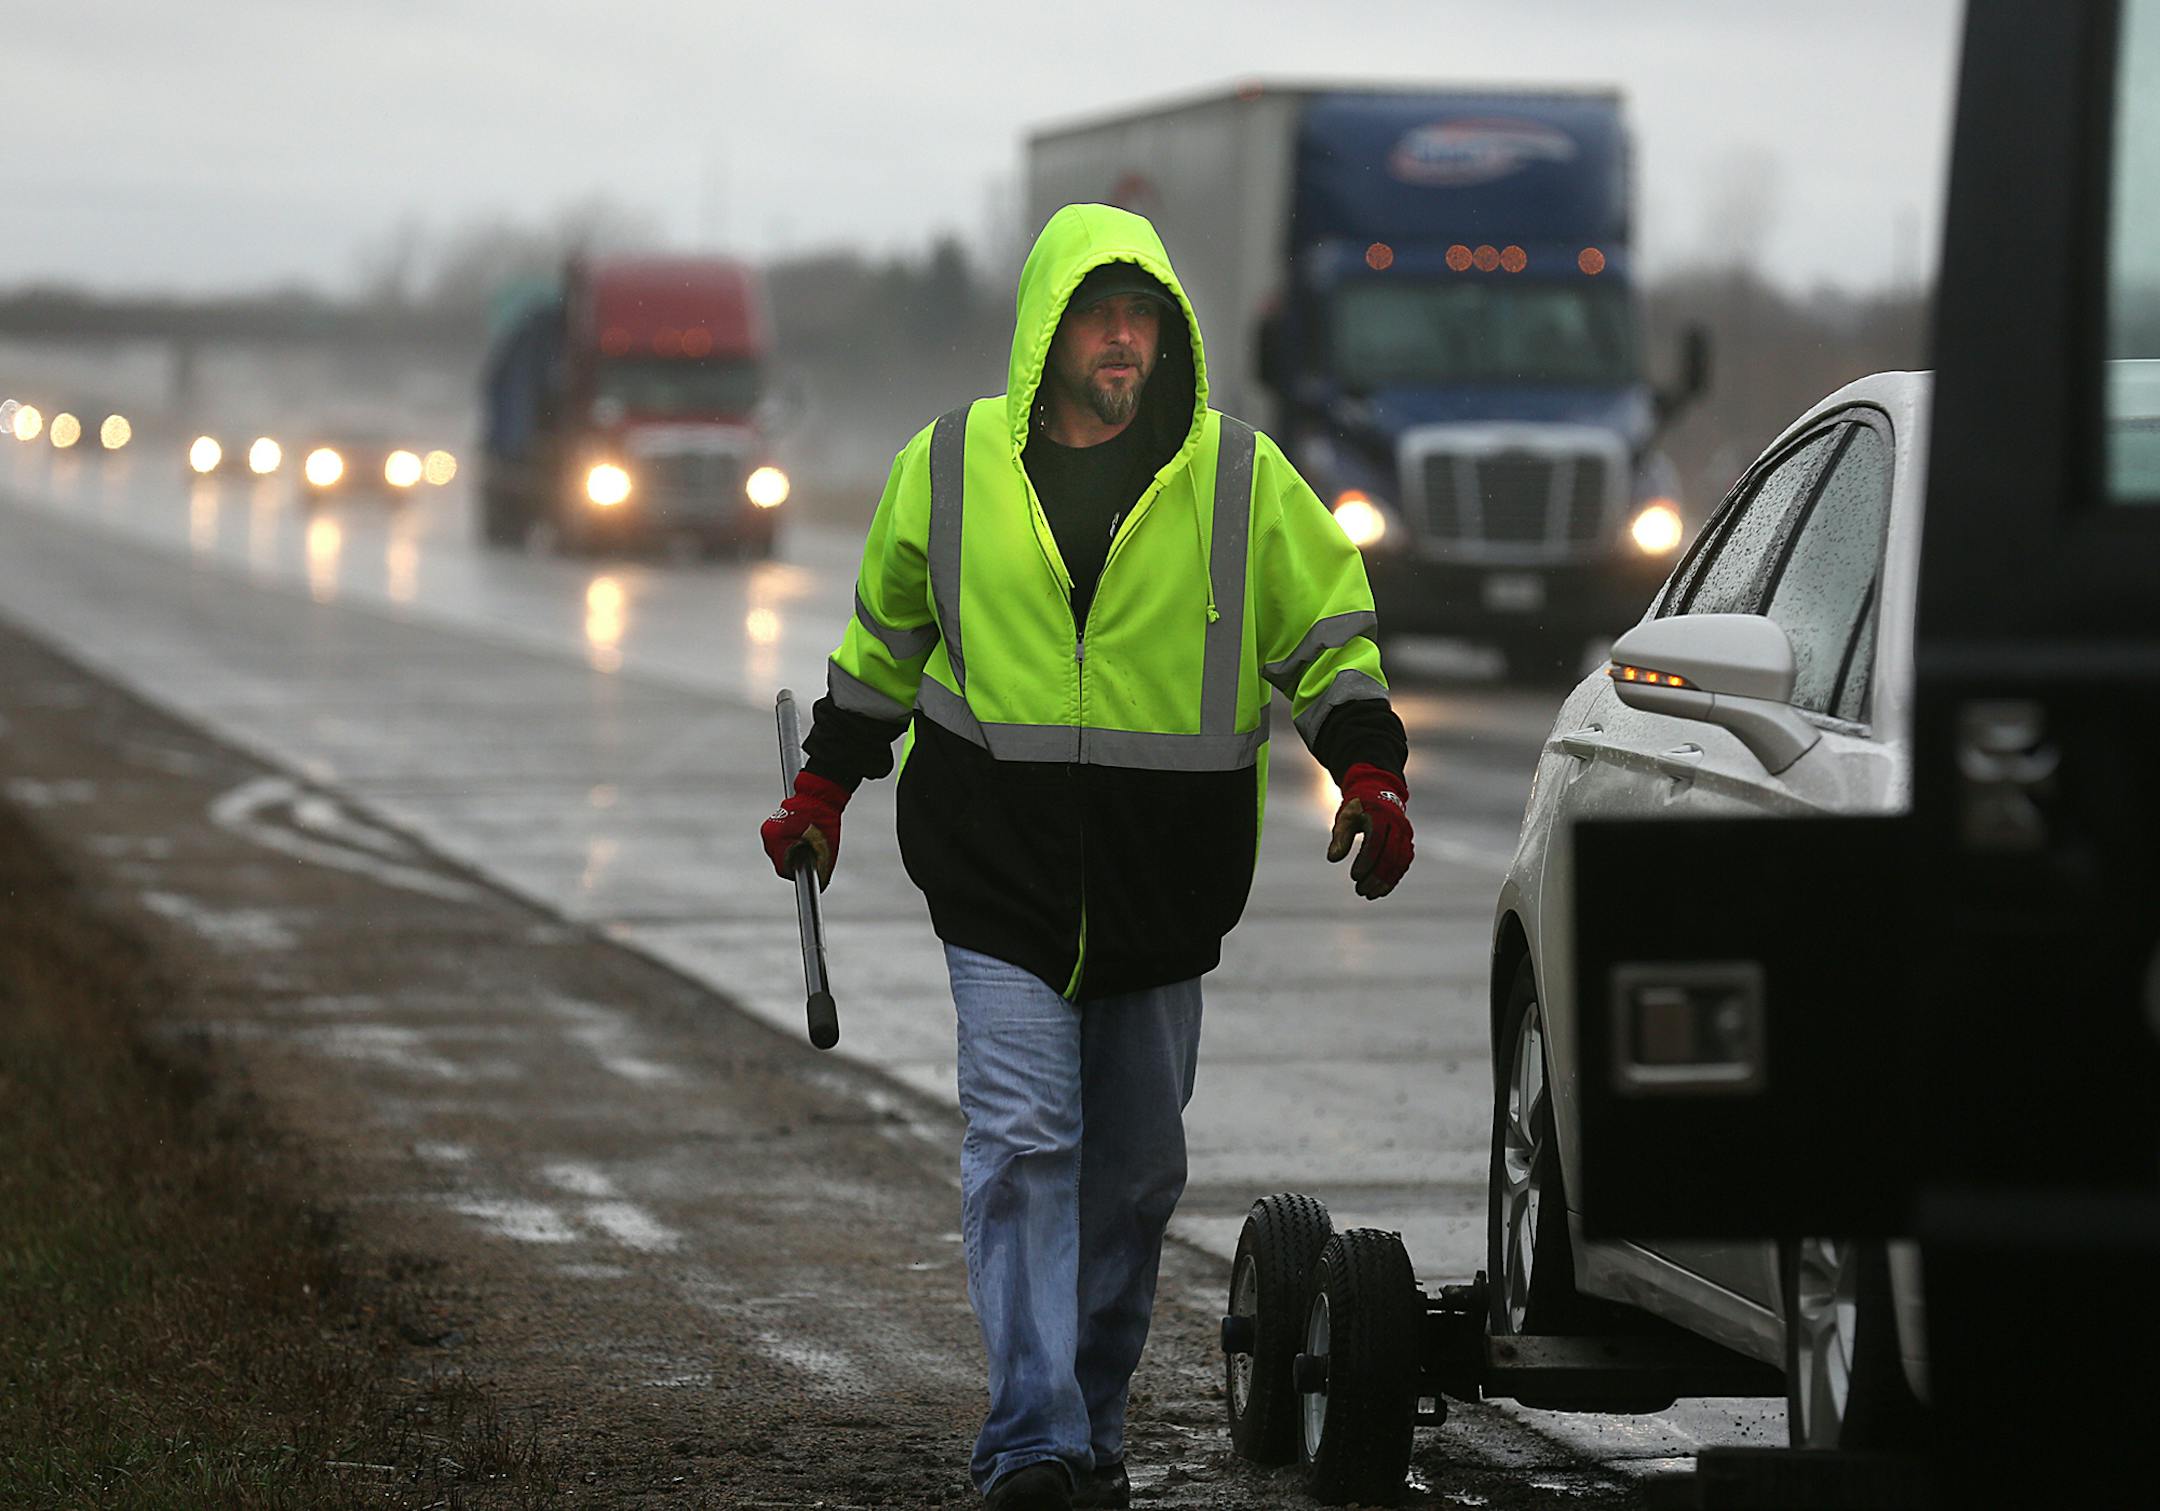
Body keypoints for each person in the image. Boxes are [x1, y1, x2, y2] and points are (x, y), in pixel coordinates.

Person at [761, 203, 1413, 1511]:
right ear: (1048, 331)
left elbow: (1328, 641)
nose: (1124, 340)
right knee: (1019, 1144)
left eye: (1145, 318)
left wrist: (1371, 768)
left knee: (1128, 1182)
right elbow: (884, 645)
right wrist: (826, 784)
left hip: (1159, 894)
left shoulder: (1240, 479)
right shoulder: (943, 468)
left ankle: (1092, 1422)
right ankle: (1032, 1445)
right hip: (993, 883)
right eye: (1100, 316)